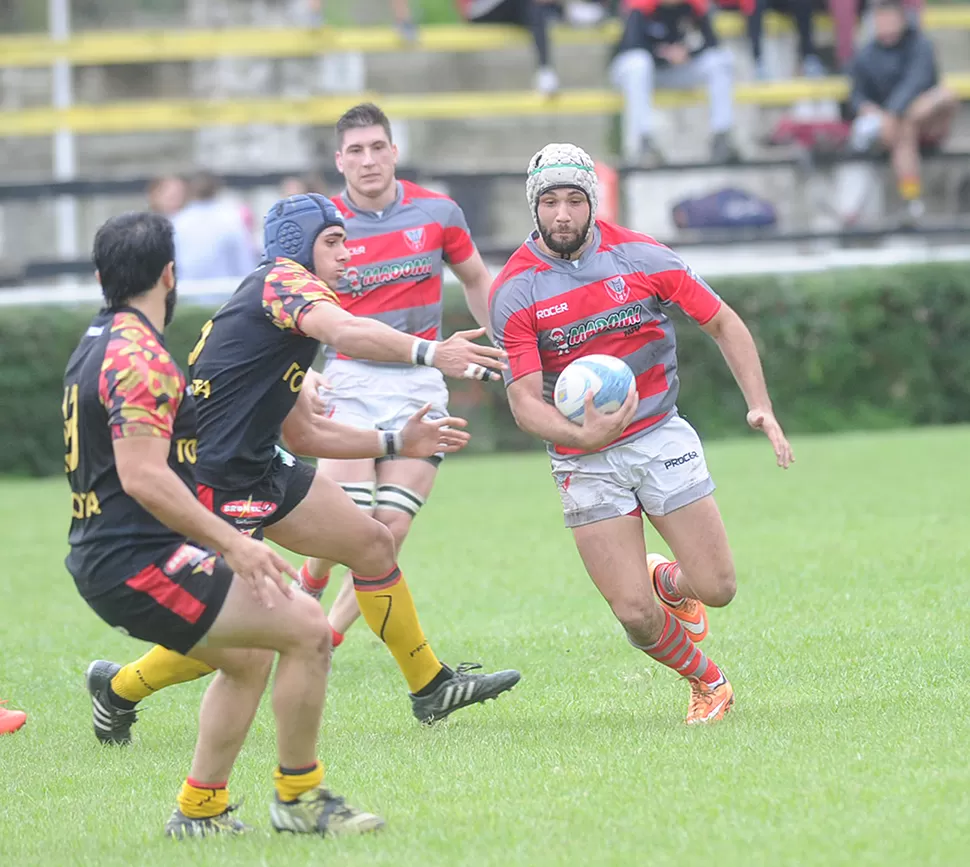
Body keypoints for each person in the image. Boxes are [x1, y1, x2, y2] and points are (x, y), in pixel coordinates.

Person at [87, 193, 520, 746]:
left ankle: (429, 687)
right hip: (216, 485)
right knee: (244, 638)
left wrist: (396, 441)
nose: (347, 253)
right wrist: (433, 354)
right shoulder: (284, 282)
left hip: (263, 468)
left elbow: (304, 435)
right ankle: (118, 688)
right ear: (298, 246)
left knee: (372, 544)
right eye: (333, 241)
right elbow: (347, 333)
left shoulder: (281, 321)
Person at [65, 211, 384, 837]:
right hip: (136, 558)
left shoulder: (96, 343)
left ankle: (200, 809)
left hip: (108, 553)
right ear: (169, 275)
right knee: (308, 630)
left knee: (246, 655)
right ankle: (299, 799)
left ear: (103, 277)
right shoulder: (141, 357)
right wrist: (233, 544)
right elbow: (144, 477)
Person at [488, 143, 794, 723]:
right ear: (535, 208)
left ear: (590, 204)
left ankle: (672, 580)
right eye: (549, 202)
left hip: (658, 435)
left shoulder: (641, 256)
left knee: (719, 587)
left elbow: (723, 322)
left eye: (573, 201)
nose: (561, 215)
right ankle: (708, 682)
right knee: (633, 612)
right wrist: (579, 437)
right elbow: (526, 404)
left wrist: (761, 406)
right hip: (582, 458)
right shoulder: (517, 289)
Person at [296, 102, 498, 653]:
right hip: (349, 381)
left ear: (394, 152)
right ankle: (308, 584)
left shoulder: (439, 212)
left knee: (389, 533)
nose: (368, 160)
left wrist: (506, 343)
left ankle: (324, 638)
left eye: (377, 147)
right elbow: (288, 303)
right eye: (355, 151)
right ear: (340, 161)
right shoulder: (321, 227)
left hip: (420, 383)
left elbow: (477, 278)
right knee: (347, 523)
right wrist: (305, 374)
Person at [847, 0, 956, 224]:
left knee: (945, 95)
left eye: (890, 18)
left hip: (928, 120)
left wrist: (894, 112)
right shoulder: (866, 55)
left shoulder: (919, 45)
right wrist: (866, 107)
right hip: (896, 130)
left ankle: (911, 201)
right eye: (880, 19)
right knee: (903, 128)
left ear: (902, 20)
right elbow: (856, 94)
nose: (885, 24)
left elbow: (916, 81)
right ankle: (911, 200)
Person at [610, 0, 740, 166]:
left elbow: (712, 42)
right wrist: (664, 54)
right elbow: (631, 44)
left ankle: (723, 137)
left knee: (721, 60)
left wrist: (688, 53)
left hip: (671, 72)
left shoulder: (694, 5)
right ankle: (643, 144)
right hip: (633, 71)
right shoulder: (641, 5)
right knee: (638, 63)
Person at [458, 0, 563, 94]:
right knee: (531, 5)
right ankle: (544, 71)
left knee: (533, 10)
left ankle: (560, 12)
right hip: (476, 8)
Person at [171, 171, 260, 280]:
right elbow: (244, 262)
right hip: (226, 290)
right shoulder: (231, 219)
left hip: (188, 291)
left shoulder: (179, 222)